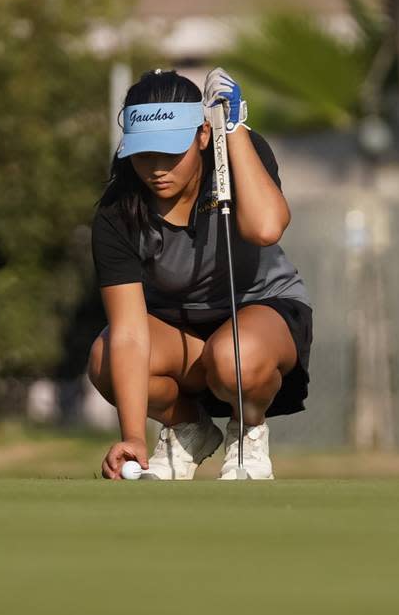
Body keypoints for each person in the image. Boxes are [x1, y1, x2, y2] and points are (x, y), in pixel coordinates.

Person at [87, 68, 314, 480]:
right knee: (104, 358)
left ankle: (248, 431)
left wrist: (235, 127)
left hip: (260, 315)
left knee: (234, 357)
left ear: (202, 136)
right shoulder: (117, 211)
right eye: (143, 153)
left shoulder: (236, 154)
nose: (157, 168)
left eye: (171, 152)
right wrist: (133, 436)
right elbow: (130, 333)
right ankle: (187, 428)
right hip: (178, 333)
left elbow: (265, 228)